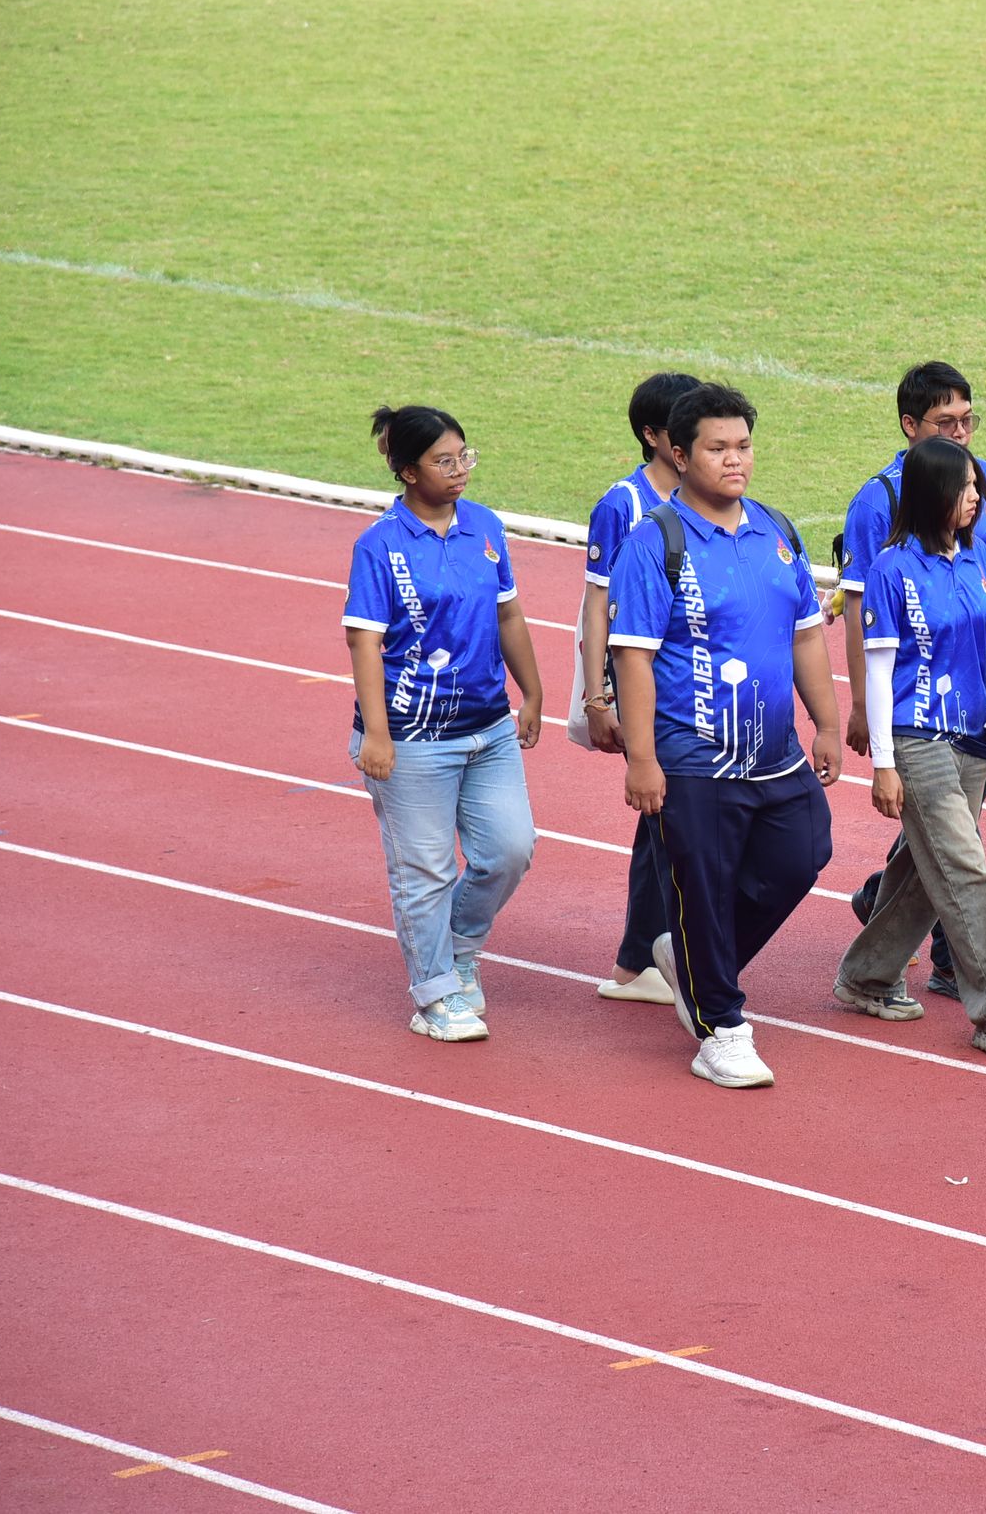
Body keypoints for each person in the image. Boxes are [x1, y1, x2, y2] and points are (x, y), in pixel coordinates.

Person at [607, 383, 841, 1089]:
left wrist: (828, 723)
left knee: (804, 853)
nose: (735, 459)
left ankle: (696, 963)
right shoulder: (654, 544)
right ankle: (721, 1030)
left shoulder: (777, 530)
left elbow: (806, 635)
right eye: (717, 448)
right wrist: (642, 760)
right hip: (693, 758)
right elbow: (633, 658)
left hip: (776, 755)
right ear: (679, 455)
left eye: (743, 445)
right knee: (702, 890)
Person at [838, 361, 986, 1003]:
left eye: (968, 419)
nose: (961, 433)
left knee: (937, 845)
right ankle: (983, 992)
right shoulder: (878, 504)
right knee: (961, 855)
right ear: (911, 425)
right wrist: (863, 707)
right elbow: (863, 610)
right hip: (915, 712)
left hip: (976, 708)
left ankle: (874, 948)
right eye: (945, 422)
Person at [342, 405, 542, 1043]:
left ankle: (457, 948)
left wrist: (532, 692)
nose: (460, 470)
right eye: (443, 461)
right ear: (407, 471)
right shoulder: (379, 546)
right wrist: (377, 732)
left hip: (488, 727)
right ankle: (434, 995)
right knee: (425, 871)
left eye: (464, 456)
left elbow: (508, 615)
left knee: (509, 851)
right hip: (411, 736)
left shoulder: (485, 526)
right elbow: (364, 641)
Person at [571, 371, 698, 1007]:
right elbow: (597, 607)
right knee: (667, 818)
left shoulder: (707, 495)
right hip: (643, 681)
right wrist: (598, 699)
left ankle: (641, 958)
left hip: (696, 683)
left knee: (665, 823)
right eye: (685, 427)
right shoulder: (622, 503)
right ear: (653, 435)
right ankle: (649, 958)